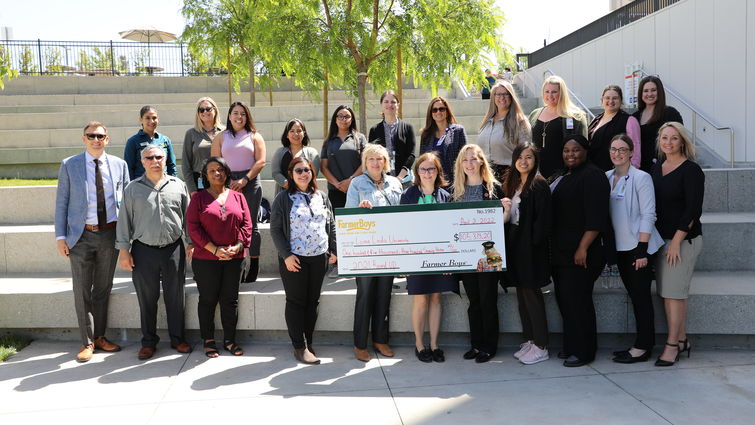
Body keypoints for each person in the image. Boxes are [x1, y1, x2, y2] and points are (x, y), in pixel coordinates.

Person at [54, 121, 129, 362]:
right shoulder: (69, 165)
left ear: (107, 139)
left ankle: (100, 337)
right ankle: (86, 343)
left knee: (103, 288)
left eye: (100, 136)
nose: (96, 139)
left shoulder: (120, 165)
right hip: (80, 236)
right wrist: (60, 236)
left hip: (110, 234)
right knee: (82, 290)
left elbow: (126, 204)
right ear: (83, 139)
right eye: (91, 136)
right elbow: (61, 203)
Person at [116, 145, 192, 360]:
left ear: (165, 159)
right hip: (143, 250)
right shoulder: (132, 189)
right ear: (143, 162)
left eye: (159, 156)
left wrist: (191, 243)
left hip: (173, 249)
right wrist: (124, 251)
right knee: (147, 299)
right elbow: (124, 222)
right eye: (149, 157)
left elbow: (188, 218)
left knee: (175, 298)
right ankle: (148, 342)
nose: (154, 160)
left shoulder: (178, 186)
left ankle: (178, 339)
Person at [550, 135, 610, 367]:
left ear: (586, 151)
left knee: (579, 303)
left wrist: (583, 247)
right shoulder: (565, 174)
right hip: (562, 251)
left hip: (582, 253)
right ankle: (571, 345)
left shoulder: (593, 175)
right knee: (566, 301)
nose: (570, 154)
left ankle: (584, 352)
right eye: (566, 150)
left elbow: (596, 218)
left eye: (575, 150)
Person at [270, 157, 337, 365]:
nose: (303, 174)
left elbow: (331, 224)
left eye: (306, 170)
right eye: (298, 170)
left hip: (319, 258)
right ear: (291, 174)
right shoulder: (283, 198)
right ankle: (299, 346)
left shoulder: (322, 196)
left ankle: (308, 341)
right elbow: (276, 229)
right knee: (296, 302)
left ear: (312, 172)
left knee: (312, 301)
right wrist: (286, 255)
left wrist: (334, 250)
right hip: (294, 259)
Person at [605, 134, 664, 364]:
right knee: (633, 295)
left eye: (622, 149)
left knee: (641, 298)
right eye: (613, 149)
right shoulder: (606, 176)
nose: (617, 153)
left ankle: (643, 347)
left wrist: (642, 249)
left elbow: (649, 214)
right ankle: (639, 343)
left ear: (631, 152)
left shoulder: (641, 178)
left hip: (638, 247)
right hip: (620, 248)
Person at [187, 157, 253, 358]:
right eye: (212, 171)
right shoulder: (198, 198)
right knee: (208, 299)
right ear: (206, 176)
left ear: (227, 172)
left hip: (234, 257)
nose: (217, 173)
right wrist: (215, 250)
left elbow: (247, 225)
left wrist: (238, 246)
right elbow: (193, 228)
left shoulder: (238, 197)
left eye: (221, 169)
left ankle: (230, 340)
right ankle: (208, 340)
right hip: (206, 259)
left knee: (230, 300)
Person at [651, 122, 704, 367]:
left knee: (674, 294)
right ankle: (681, 339)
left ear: (682, 141)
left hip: (682, 240)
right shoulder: (656, 168)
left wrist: (676, 243)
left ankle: (672, 346)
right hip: (661, 240)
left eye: (674, 138)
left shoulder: (691, 170)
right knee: (669, 294)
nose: (669, 142)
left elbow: (692, 210)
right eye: (664, 138)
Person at [345, 144, 403, 362]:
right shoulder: (357, 183)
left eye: (380, 159)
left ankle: (380, 339)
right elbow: (348, 217)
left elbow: (401, 215)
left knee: (384, 294)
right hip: (366, 249)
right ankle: (360, 343)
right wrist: (361, 208)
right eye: (371, 159)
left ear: (385, 162)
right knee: (365, 294)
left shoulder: (395, 183)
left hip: (388, 248)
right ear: (365, 162)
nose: (376, 163)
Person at [399, 152, 458, 363]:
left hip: (440, 257)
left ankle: (434, 344)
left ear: (438, 172)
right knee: (421, 300)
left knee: (435, 298)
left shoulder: (445, 195)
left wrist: (452, 259)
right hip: (416, 256)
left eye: (431, 169)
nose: (427, 173)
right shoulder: (408, 195)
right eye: (423, 169)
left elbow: (452, 228)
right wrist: (404, 260)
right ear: (417, 172)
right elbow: (402, 228)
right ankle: (419, 344)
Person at [451, 144, 505, 363]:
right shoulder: (455, 192)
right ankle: (476, 344)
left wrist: (507, 211)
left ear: (482, 161)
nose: (469, 164)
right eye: (465, 160)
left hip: (489, 256)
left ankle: (489, 346)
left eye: (473, 159)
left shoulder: (494, 189)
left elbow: (502, 224)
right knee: (473, 301)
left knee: (488, 300)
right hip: (466, 256)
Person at [500, 143, 552, 365]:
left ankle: (541, 345)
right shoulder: (514, 184)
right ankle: (530, 340)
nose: (523, 161)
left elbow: (544, 222)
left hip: (530, 249)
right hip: (515, 245)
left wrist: (532, 245)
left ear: (535, 160)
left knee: (532, 296)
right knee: (522, 295)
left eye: (528, 157)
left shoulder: (539, 185)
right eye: (519, 157)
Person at [211, 101, 266, 283]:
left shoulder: (254, 136)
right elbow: (215, 162)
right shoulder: (220, 136)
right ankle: (237, 263)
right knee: (231, 224)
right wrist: (228, 180)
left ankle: (254, 264)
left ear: (247, 116)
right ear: (229, 116)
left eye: (242, 113)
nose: (239, 117)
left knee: (251, 226)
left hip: (249, 182)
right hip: (227, 182)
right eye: (235, 113)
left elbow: (260, 161)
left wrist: (245, 180)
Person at [528, 75, 588, 179]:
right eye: (547, 91)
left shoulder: (575, 116)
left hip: (563, 174)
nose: (550, 95)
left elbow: (583, 149)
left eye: (554, 92)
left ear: (562, 93)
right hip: (536, 174)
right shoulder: (534, 114)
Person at [477, 81, 531, 181]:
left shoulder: (520, 121)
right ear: (493, 97)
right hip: (486, 175)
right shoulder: (487, 121)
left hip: (509, 176)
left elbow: (526, 153)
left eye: (506, 94)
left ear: (511, 97)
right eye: (498, 94)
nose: (502, 97)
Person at [632, 76, 684, 173]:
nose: (650, 94)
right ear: (641, 94)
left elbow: (680, 140)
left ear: (659, 92)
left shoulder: (670, 113)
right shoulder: (635, 117)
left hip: (664, 168)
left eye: (653, 90)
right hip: (641, 170)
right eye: (646, 91)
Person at [320, 105, 366, 208]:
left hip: (357, 188)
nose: (343, 119)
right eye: (340, 116)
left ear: (352, 119)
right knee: (337, 223)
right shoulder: (328, 141)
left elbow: (365, 163)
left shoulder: (360, 138)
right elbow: (323, 167)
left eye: (347, 116)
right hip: (335, 190)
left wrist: (350, 181)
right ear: (335, 119)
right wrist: (337, 184)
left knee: (358, 222)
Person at [587, 85, 641, 172]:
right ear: (602, 100)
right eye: (607, 98)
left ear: (621, 100)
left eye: (615, 98)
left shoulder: (629, 120)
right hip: (593, 171)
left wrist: (631, 174)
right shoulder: (596, 119)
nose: (611, 101)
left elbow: (635, 150)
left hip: (616, 173)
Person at [368, 90, 416, 181]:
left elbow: (411, 155)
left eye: (393, 102)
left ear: (398, 105)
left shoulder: (408, 128)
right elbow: (371, 156)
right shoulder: (374, 130)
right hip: (381, 180)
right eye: (386, 102)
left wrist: (400, 177)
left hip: (404, 180)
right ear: (381, 105)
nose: (389, 105)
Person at [419, 96, 467, 184]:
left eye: (441, 109)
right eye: (435, 110)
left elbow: (464, 158)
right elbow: (422, 161)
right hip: (432, 182)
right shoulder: (426, 134)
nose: (438, 112)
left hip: (453, 182)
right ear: (431, 113)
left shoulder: (458, 131)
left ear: (447, 111)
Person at [182, 97, 224, 195]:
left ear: (215, 110)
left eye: (208, 109)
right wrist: (192, 189)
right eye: (201, 110)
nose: (205, 112)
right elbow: (186, 164)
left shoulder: (225, 132)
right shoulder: (191, 133)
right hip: (199, 182)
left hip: (221, 180)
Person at [123, 105, 177, 180]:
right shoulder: (133, 141)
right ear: (141, 119)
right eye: (147, 118)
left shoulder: (165, 140)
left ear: (158, 119)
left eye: (154, 118)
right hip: (142, 185)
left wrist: (173, 182)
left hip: (163, 184)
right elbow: (129, 168)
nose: (151, 121)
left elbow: (171, 165)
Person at [271, 119, 320, 194]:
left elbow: (313, 174)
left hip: (306, 193)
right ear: (287, 134)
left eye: (299, 131)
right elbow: (275, 173)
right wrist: (288, 185)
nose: (296, 134)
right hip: (284, 193)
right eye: (292, 131)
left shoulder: (312, 153)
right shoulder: (280, 152)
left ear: (304, 133)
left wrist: (300, 186)